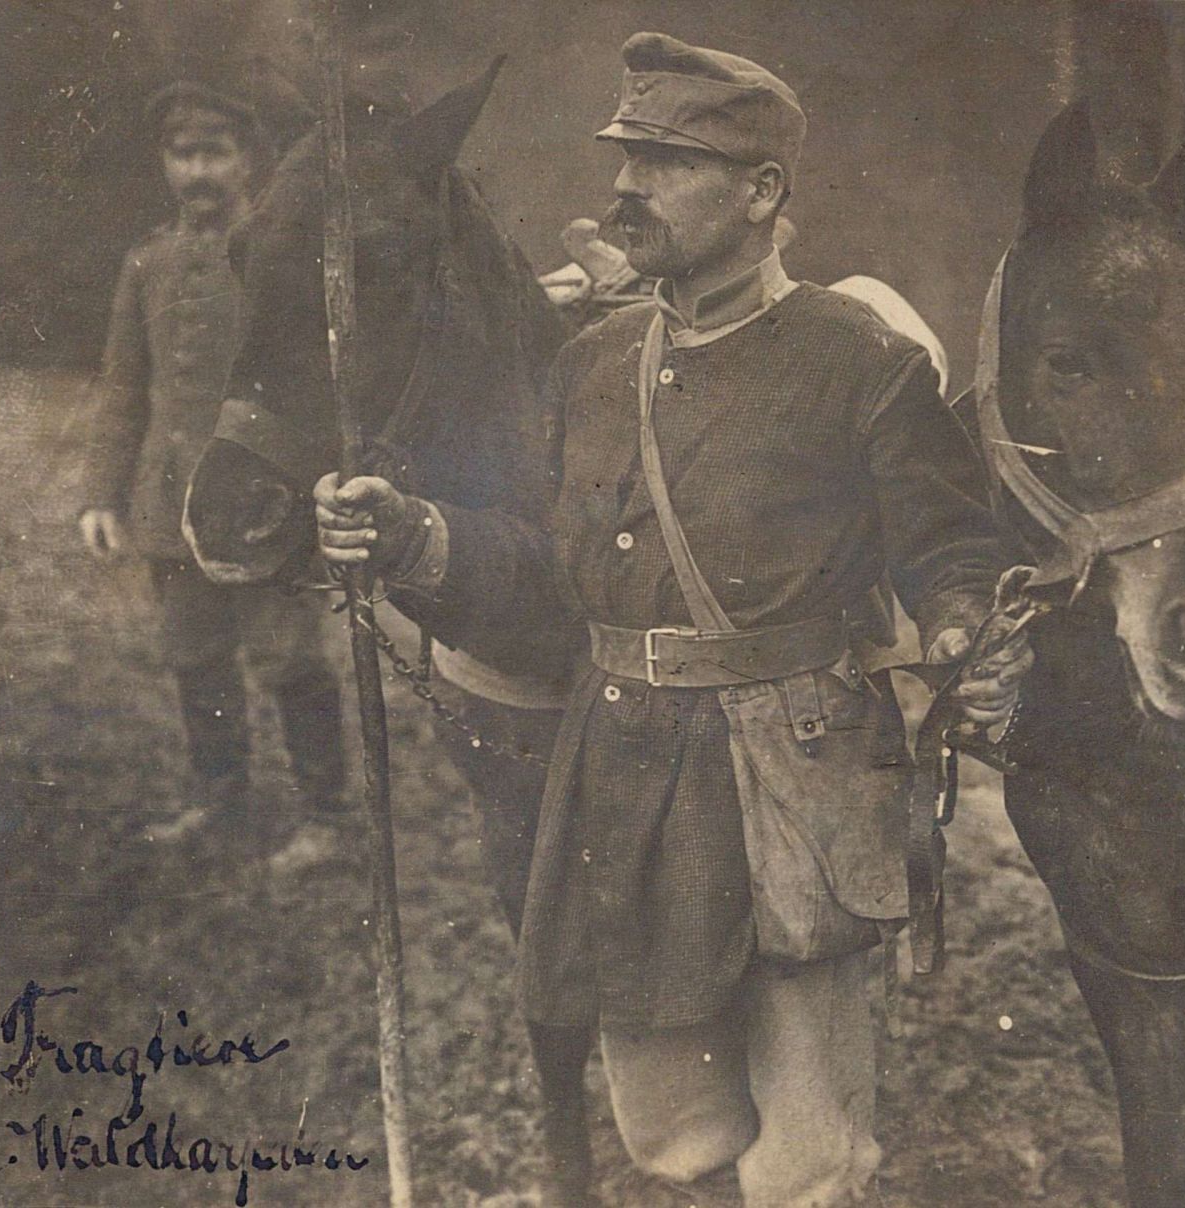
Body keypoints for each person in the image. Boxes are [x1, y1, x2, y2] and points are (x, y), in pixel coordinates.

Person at [313, 32, 1029, 1206]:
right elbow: (558, 584)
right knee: (670, 1131)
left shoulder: (861, 360)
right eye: (625, 158)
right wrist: (414, 536)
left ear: (761, 193)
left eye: (668, 163)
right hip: (629, 773)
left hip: (790, 774)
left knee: (804, 1152)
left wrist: (966, 627)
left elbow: (950, 545)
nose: (625, 188)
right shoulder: (592, 365)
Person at [79, 79, 346, 862]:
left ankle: (327, 816)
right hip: (171, 502)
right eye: (181, 153)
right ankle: (219, 801)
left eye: (214, 152)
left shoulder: (279, 250)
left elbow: (315, 378)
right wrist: (101, 494)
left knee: (289, 656)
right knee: (194, 655)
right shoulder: (147, 262)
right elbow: (123, 386)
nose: (196, 171)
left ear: (247, 159)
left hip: (263, 498)